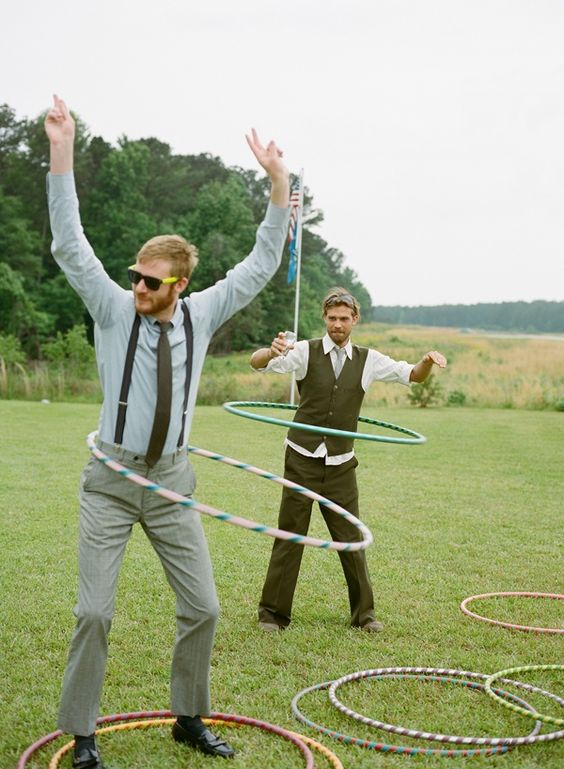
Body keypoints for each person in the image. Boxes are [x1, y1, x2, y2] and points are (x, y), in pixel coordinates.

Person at [44, 94, 290, 767]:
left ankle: (188, 716)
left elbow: (261, 264)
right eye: (135, 277)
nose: (138, 288)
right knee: (94, 613)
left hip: (174, 480)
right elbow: (70, 242)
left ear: (180, 284)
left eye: (151, 282)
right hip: (111, 480)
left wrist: (278, 186)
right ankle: (84, 735)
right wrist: (61, 150)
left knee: (205, 607)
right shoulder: (111, 307)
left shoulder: (200, 314)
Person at [250, 287, 447, 633]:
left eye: (344, 319)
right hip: (301, 457)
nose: (337, 325)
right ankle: (272, 613)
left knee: (352, 539)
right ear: (324, 318)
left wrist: (427, 362)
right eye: (331, 318)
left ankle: (364, 615)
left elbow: (412, 376)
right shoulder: (304, 352)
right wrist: (270, 350)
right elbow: (257, 364)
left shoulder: (369, 359)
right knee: (290, 535)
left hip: (341, 463)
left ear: (355, 320)